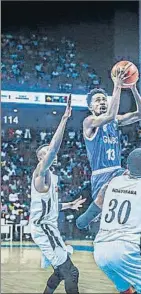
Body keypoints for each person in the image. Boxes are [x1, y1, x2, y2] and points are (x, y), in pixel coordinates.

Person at [84, 148, 141, 293]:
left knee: (127, 289)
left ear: (127, 167)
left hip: (100, 251)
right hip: (127, 250)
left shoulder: (111, 183)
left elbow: (82, 222)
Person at [76, 66, 141, 230]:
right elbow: (110, 116)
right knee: (105, 222)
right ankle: (87, 219)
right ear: (91, 107)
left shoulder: (115, 121)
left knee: (138, 177)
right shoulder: (89, 122)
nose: (102, 102)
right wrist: (117, 85)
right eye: (98, 100)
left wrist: (133, 88)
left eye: (103, 99)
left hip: (118, 171)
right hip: (101, 175)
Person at [30, 96, 86, 294]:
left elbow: (48, 205)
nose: (50, 155)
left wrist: (68, 205)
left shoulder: (51, 176)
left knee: (62, 273)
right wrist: (64, 119)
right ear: (40, 159)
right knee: (72, 273)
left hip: (48, 227)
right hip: (44, 229)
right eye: (45, 154)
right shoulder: (40, 173)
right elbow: (54, 148)